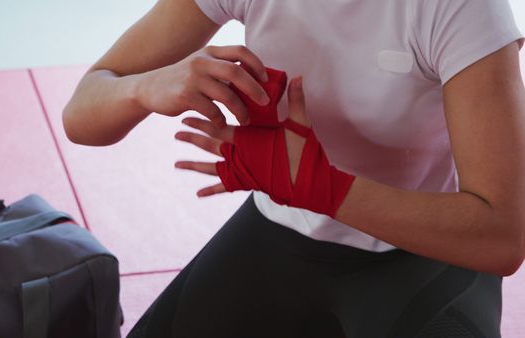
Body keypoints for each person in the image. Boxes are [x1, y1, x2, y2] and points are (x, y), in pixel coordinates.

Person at [62, 0, 525, 336]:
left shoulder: (463, 9)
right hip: (278, 228)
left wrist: (327, 190)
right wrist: (147, 86)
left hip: (421, 254)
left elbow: (503, 237)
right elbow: (82, 113)